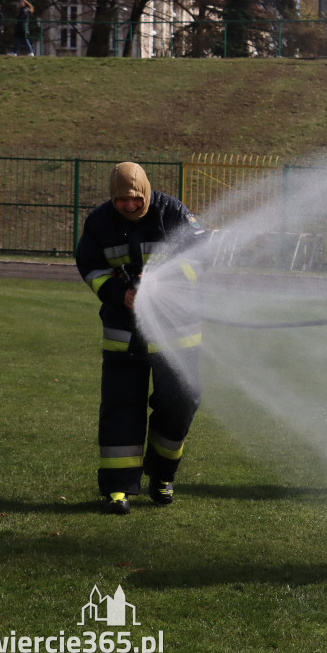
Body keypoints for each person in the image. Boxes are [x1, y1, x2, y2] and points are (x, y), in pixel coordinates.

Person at [76, 162, 208, 514]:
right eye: (122, 200)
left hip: (176, 330)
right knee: (121, 407)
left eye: (136, 198)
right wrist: (121, 295)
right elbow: (90, 267)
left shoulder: (172, 212)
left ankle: (162, 475)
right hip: (124, 332)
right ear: (112, 197)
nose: (130, 205)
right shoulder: (99, 222)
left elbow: (201, 256)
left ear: (147, 192)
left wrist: (161, 282)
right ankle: (117, 489)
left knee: (180, 403)